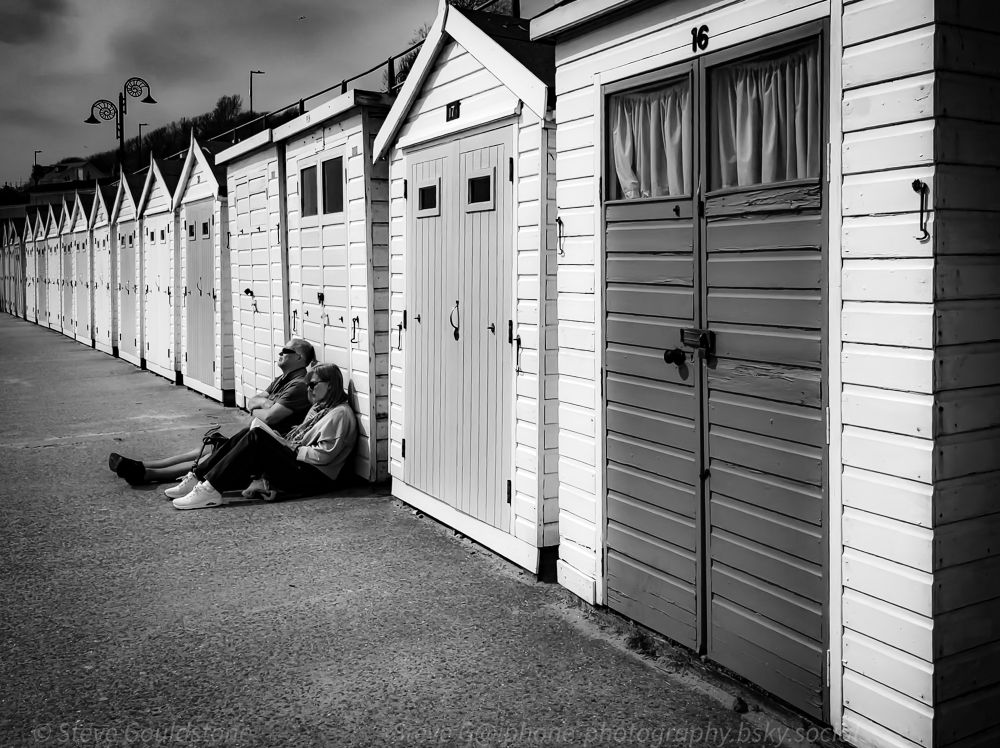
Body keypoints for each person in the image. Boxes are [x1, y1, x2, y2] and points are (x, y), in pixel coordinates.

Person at [108, 338, 316, 487]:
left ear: (298, 357)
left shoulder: (298, 385)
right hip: (259, 434)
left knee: (215, 453)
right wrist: (265, 403)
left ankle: (147, 474)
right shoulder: (283, 380)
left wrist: (264, 405)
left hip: (271, 442)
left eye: (285, 351)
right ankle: (143, 466)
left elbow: (269, 416)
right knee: (209, 448)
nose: (279, 354)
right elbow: (253, 402)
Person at [171, 363, 358, 510]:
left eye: (313, 385)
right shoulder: (320, 408)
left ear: (331, 385)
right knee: (250, 433)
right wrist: (283, 441)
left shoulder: (339, 414)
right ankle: (199, 477)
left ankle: (209, 489)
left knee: (257, 438)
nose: (309, 389)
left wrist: (291, 447)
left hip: (315, 476)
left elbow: (325, 455)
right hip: (303, 465)